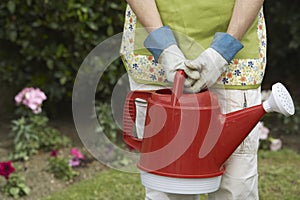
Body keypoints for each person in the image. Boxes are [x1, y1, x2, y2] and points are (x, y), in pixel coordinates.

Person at [120, 0, 266, 199]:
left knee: (235, 185)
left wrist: (223, 50)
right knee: (169, 185)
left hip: (235, 58)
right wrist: (163, 46)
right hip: (155, 53)